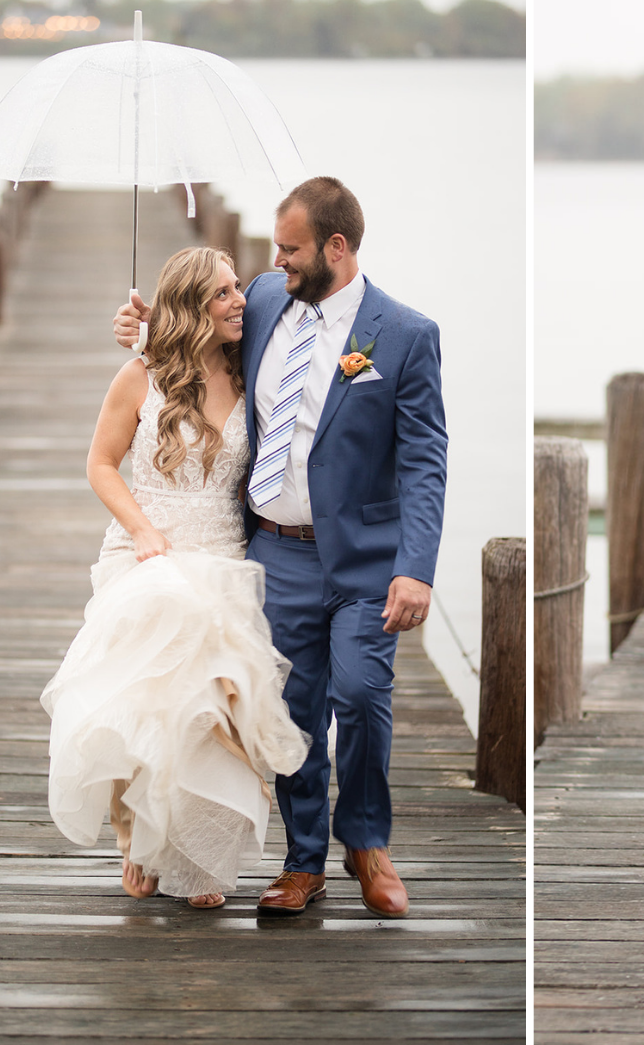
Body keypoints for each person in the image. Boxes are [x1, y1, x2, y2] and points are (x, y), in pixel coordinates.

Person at [115, 177, 447, 918]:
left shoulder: (405, 335)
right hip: (274, 552)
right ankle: (304, 863)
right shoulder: (262, 300)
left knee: (361, 695)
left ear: (336, 247)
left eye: (290, 249)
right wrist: (139, 325)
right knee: (290, 713)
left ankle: (365, 841)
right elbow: (187, 334)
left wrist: (415, 570)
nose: (275, 263)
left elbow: (426, 462)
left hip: (364, 560)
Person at [43, 246, 309, 909]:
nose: (239, 300)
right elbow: (102, 465)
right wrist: (142, 530)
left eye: (237, 288)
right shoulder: (141, 377)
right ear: (194, 306)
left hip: (222, 555)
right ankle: (133, 830)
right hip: (148, 552)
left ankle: (198, 854)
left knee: (218, 707)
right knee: (150, 697)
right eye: (222, 293)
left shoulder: (250, 372)